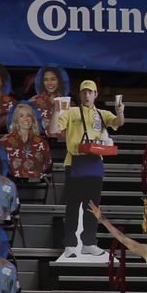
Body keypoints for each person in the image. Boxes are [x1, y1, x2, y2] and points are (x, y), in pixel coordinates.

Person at [52, 79, 121, 258]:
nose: (87, 95)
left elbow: (118, 123)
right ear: (79, 94)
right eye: (84, 92)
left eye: (90, 92)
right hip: (74, 162)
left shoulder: (102, 114)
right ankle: (70, 245)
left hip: (95, 163)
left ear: (96, 94)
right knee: (73, 206)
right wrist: (56, 110)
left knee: (92, 207)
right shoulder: (71, 111)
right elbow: (53, 130)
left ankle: (89, 242)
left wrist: (120, 112)